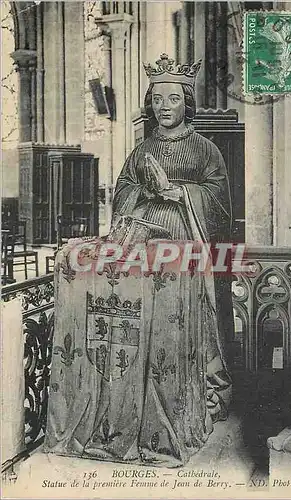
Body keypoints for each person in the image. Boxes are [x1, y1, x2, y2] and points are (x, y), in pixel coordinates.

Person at [44, 54, 234, 467]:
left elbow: (219, 203)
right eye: (157, 99)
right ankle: (135, 407)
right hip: (141, 240)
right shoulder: (142, 148)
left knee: (177, 325)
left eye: (173, 98)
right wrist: (144, 190)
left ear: (187, 102)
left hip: (184, 242)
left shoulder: (207, 149)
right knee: (136, 319)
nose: (164, 106)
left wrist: (182, 194)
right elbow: (124, 189)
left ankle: (188, 398)